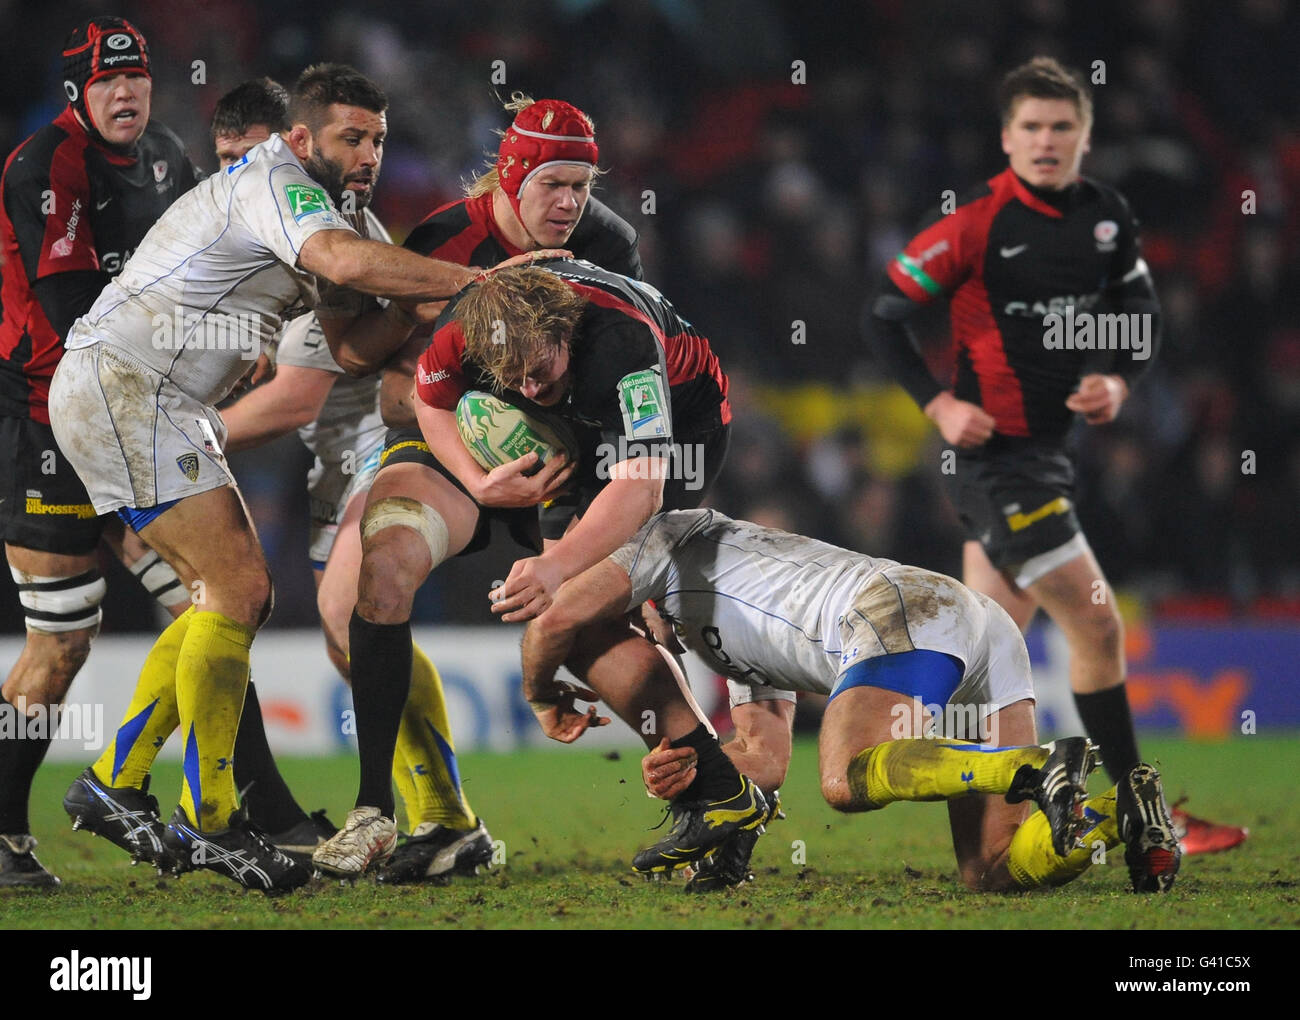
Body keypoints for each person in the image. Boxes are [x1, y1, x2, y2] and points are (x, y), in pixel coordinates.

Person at [48, 63, 499, 893]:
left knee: (226, 594)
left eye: (379, 140)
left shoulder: (342, 210)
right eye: (350, 137)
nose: (368, 154)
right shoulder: (276, 179)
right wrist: (481, 283)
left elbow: (351, 331)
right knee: (240, 587)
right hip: (128, 383)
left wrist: (425, 308)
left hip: (148, 395)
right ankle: (208, 818)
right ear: (302, 138)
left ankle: (118, 782)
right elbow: (340, 264)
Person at [865, 56, 1244, 857]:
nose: (1045, 140)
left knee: (985, 653)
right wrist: (939, 403)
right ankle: (1148, 817)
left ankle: (982, 845)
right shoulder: (975, 225)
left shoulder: (1106, 219)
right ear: (1007, 139)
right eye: (1031, 127)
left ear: (1084, 137)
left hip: (1047, 455)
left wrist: (1118, 377)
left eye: (1061, 127)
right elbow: (884, 315)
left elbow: (1140, 314)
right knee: (1099, 626)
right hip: (998, 464)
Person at [312, 255, 761, 880]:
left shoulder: (619, 342)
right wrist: (477, 483)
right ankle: (721, 797)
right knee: (575, 620)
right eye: (510, 378)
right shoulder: (469, 328)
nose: (525, 388)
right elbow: (429, 398)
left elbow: (641, 485)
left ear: (564, 331)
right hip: (571, 433)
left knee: (602, 603)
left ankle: (719, 792)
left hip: (680, 427)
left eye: (538, 370)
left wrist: (554, 570)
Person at [307, 97, 656, 883]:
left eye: (583, 185)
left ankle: (703, 782)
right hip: (452, 450)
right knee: (352, 599)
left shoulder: (609, 244)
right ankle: (423, 817)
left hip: (568, 459)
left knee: (603, 618)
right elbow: (398, 393)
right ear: (511, 173)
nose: (572, 204)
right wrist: (477, 445)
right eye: (555, 185)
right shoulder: (443, 242)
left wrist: (584, 501)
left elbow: (627, 364)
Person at [0, 16, 302, 889]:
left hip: (138, 413)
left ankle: (229, 807)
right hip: (48, 420)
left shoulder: (170, 154)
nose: (126, 94)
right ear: (75, 95)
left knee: (215, 603)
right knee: (62, 643)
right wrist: (200, 342)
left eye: (135, 79)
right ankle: (9, 829)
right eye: (106, 83)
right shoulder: (44, 166)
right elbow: (73, 320)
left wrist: (241, 329)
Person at [522, 508, 1183, 894]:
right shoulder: (718, 633)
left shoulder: (661, 537)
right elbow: (765, 759)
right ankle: (1117, 813)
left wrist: (541, 694)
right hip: (977, 630)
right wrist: (690, 774)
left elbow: (553, 621)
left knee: (845, 776)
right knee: (994, 868)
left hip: (903, 609)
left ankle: (1033, 766)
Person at [213, 77, 474, 871]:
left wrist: (182, 441)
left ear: (285, 149)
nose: (231, 172)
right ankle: (446, 817)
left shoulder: (326, 226)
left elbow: (295, 398)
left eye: (243, 157)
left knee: (341, 610)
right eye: (220, 158)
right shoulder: (273, 226)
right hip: (329, 460)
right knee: (347, 638)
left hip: (376, 443)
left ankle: (425, 816)